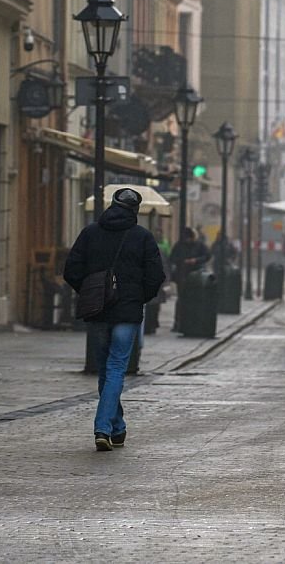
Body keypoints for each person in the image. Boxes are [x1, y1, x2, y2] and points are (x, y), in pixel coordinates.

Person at [64, 188, 166, 451]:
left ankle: (117, 427)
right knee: (116, 367)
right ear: (135, 210)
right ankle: (104, 427)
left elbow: (71, 269)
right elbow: (156, 275)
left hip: (98, 310)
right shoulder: (142, 237)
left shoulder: (90, 233)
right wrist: (139, 297)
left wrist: (89, 291)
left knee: (105, 368)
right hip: (128, 313)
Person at [168, 227, 210, 331]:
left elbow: (207, 256)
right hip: (181, 275)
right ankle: (178, 323)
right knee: (181, 299)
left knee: (193, 300)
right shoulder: (179, 245)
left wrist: (195, 260)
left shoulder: (199, 245)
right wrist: (180, 262)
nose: (187, 240)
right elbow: (172, 258)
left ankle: (192, 322)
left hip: (195, 276)